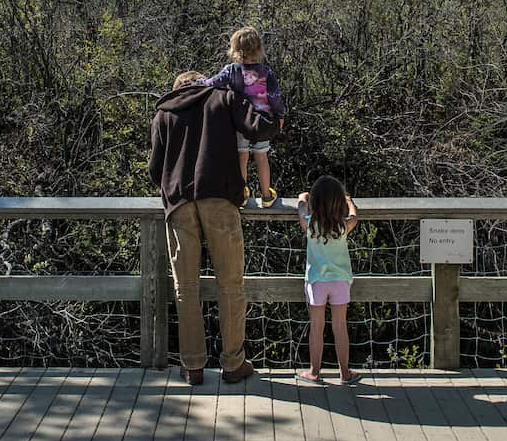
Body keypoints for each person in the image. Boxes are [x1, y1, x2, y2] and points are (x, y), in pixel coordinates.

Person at [149, 70, 279, 385]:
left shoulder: (164, 113)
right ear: (203, 81)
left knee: (186, 289)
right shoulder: (223, 98)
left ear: (177, 87)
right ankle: (233, 363)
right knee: (231, 285)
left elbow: (155, 171)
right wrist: (274, 109)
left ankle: (193, 366)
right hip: (220, 199)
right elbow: (258, 129)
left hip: (180, 204)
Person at [199, 26, 287, 207]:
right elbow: (274, 98)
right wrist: (280, 114)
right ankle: (266, 196)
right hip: (261, 122)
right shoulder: (266, 72)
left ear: (236, 50)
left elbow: (210, 84)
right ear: (258, 48)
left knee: (242, 157)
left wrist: (196, 82)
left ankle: (242, 194)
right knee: (262, 157)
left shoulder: (231, 70)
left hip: (240, 123)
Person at [296, 175, 362, 384]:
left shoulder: (310, 225)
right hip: (340, 280)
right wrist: (349, 201)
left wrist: (306, 196)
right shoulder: (342, 227)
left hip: (316, 281)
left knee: (317, 327)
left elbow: (300, 203)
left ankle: (314, 372)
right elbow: (354, 216)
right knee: (340, 327)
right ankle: (345, 372)